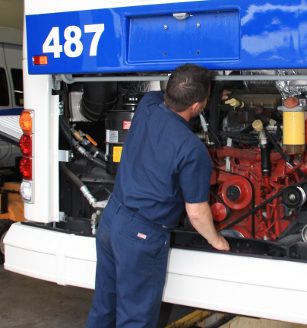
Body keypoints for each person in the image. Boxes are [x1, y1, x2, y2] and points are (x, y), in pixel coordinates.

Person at [86, 64, 230, 328]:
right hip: (141, 235)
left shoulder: (147, 106)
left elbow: (160, 92)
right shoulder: (192, 150)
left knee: (104, 307)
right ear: (198, 106)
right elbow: (196, 212)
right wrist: (217, 239)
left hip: (112, 218)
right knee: (136, 318)